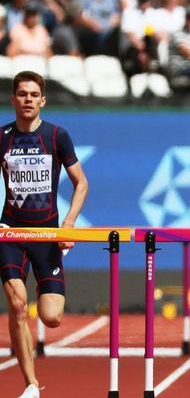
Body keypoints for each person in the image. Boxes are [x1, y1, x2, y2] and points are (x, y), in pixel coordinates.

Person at [0, 71, 89, 398]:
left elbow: (82, 182)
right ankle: (31, 385)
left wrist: (68, 224)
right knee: (18, 304)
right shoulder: (3, 137)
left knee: (51, 317)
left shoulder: (56, 136)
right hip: (11, 233)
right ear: (13, 99)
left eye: (33, 94)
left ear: (42, 101)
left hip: (48, 234)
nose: (27, 99)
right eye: (21, 94)